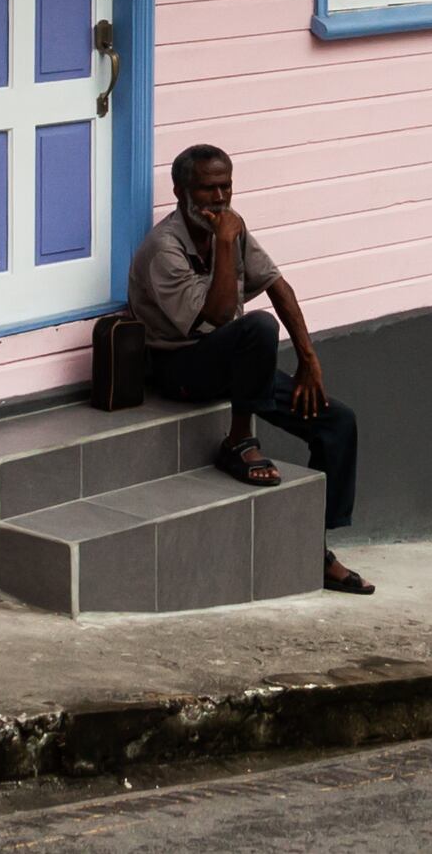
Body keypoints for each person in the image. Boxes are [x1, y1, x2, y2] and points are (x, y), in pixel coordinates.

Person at [128, 142, 373, 594]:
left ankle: (315, 549)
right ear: (181, 191)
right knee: (257, 326)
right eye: (208, 189)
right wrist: (224, 244)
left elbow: (277, 285)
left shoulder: (232, 227)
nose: (220, 198)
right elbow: (219, 317)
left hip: (232, 361)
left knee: (337, 422)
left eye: (226, 186)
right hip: (179, 367)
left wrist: (309, 360)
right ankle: (239, 442)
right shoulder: (164, 248)